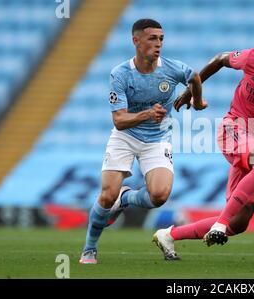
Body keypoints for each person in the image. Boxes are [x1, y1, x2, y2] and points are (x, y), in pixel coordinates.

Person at [153, 23, 254, 260]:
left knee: (239, 222)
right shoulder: (253, 58)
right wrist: (192, 91)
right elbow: (219, 59)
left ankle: (169, 235)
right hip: (233, 128)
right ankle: (218, 225)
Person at [79, 19, 207, 264]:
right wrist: (148, 114)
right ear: (136, 41)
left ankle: (125, 198)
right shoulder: (120, 74)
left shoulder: (172, 68)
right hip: (125, 137)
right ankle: (89, 248)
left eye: (161, 39)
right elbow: (119, 121)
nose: (158, 44)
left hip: (157, 139)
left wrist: (197, 100)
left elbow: (195, 77)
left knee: (159, 196)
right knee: (106, 196)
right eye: (152, 38)